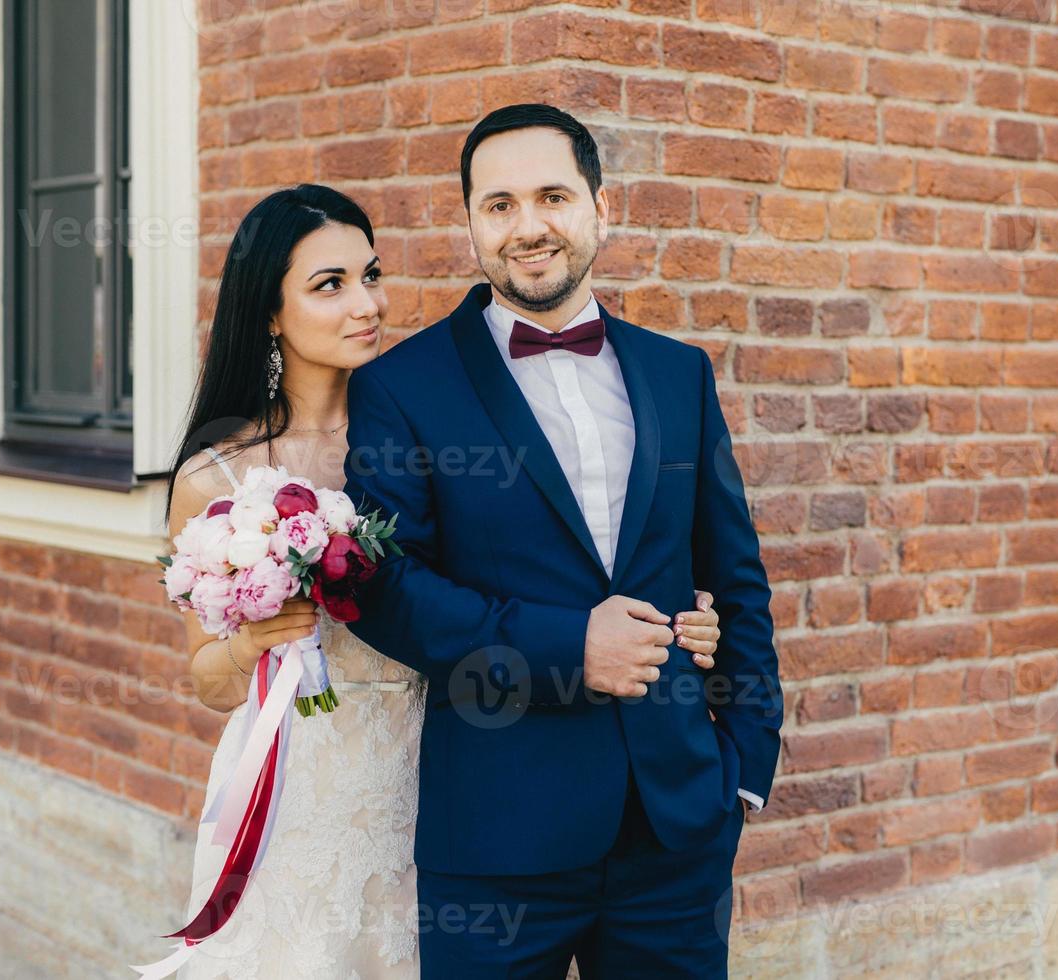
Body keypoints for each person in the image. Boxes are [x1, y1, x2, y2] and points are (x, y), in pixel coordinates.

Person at [161, 182, 725, 977]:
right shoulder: (215, 474)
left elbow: (537, 562)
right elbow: (210, 683)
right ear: (268, 313)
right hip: (306, 782)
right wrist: (254, 636)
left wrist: (680, 611)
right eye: (331, 286)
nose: (366, 304)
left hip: (455, 763)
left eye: (371, 276)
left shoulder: (430, 418)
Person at [343, 104, 782, 978]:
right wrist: (572, 646)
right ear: (469, 220)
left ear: (600, 207)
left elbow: (736, 574)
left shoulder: (678, 372)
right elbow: (384, 589)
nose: (528, 226)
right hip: (497, 840)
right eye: (498, 204)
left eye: (552, 196)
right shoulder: (401, 386)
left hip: (676, 832)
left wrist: (742, 765)